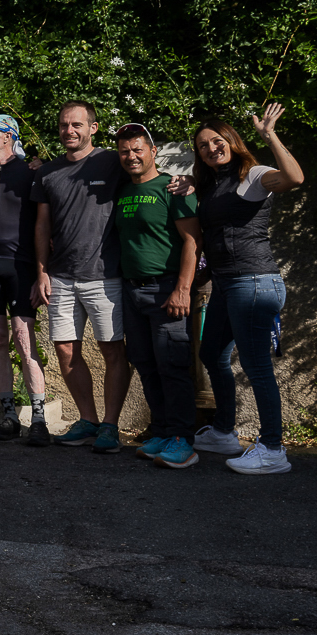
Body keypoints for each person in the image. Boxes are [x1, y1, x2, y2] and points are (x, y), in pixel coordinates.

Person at [189, 104, 305, 474]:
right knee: (211, 354)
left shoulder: (253, 175)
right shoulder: (212, 183)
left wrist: (269, 135)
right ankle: (224, 430)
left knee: (257, 368)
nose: (211, 148)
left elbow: (295, 178)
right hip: (227, 285)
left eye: (217, 141)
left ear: (232, 141)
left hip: (254, 282)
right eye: (203, 145)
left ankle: (273, 449)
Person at [33, 101, 131, 452]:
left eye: (77, 124)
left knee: (112, 351)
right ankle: (88, 420)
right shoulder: (47, 173)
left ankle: (111, 425)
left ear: (94, 127)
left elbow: (147, 172)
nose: (69, 130)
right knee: (64, 350)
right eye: (63, 125)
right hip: (60, 276)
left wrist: (186, 180)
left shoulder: (112, 161)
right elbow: (42, 225)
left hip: (105, 275)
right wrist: (41, 272)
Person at [112, 124, 202, 467]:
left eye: (137, 149)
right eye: (124, 151)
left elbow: (193, 241)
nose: (131, 156)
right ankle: (163, 431)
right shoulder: (122, 190)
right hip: (132, 291)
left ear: (153, 151)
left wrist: (182, 289)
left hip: (165, 290)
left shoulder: (173, 188)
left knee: (172, 365)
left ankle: (183, 439)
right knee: (146, 365)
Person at [0, 114, 51, 442]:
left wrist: (43, 271)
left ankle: (39, 418)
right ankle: (8, 416)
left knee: (23, 335)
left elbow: (46, 223)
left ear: (8, 136)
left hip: (22, 265)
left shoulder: (33, 172)